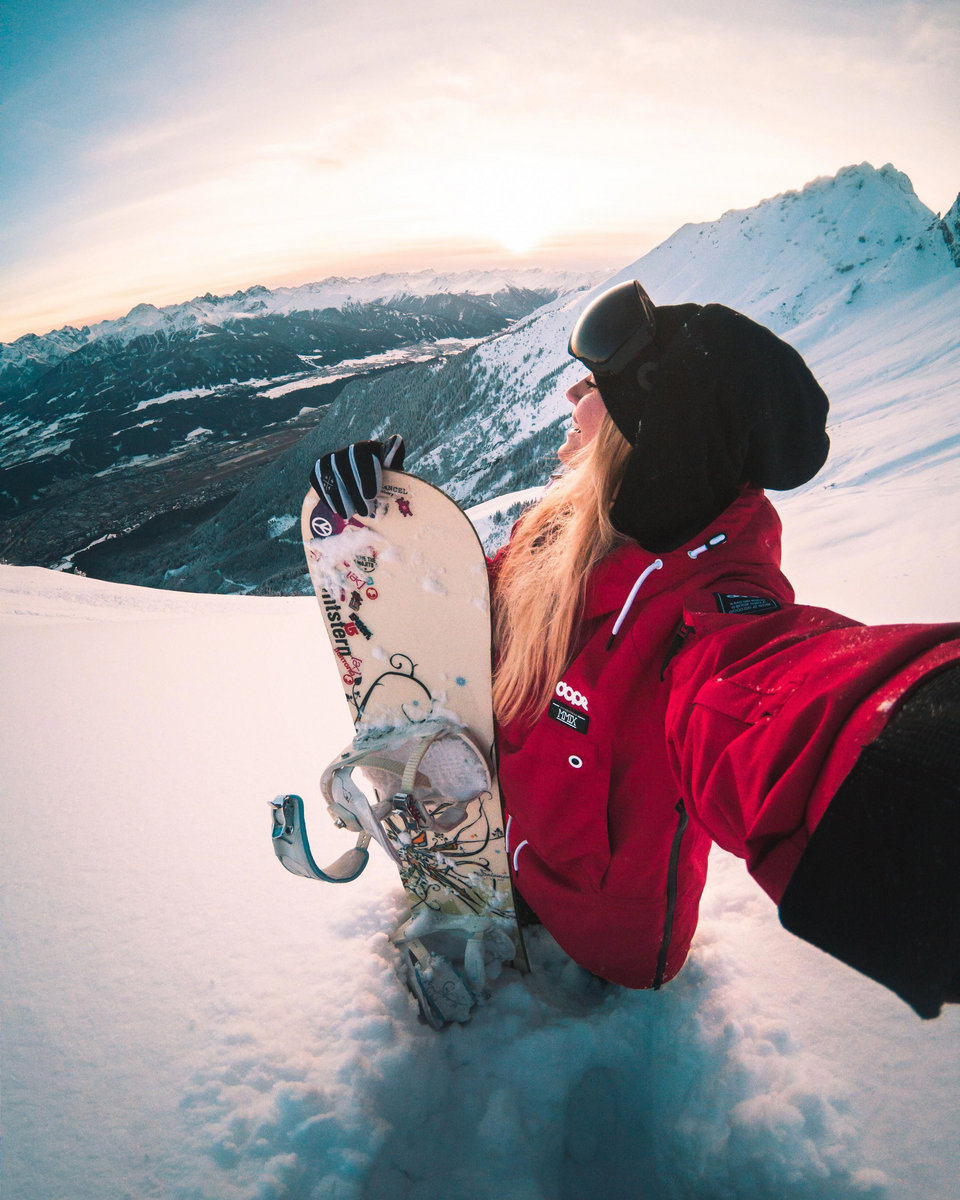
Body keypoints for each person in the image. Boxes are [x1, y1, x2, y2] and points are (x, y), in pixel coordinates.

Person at [313, 280, 960, 1019]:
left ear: (648, 427)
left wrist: (906, 746)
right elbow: (461, 623)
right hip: (504, 851)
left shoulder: (713, 603)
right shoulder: (559, 531)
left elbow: (766, 695)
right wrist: (385, 528)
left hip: (605, 939)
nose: (568, 395)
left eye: (590, 384)